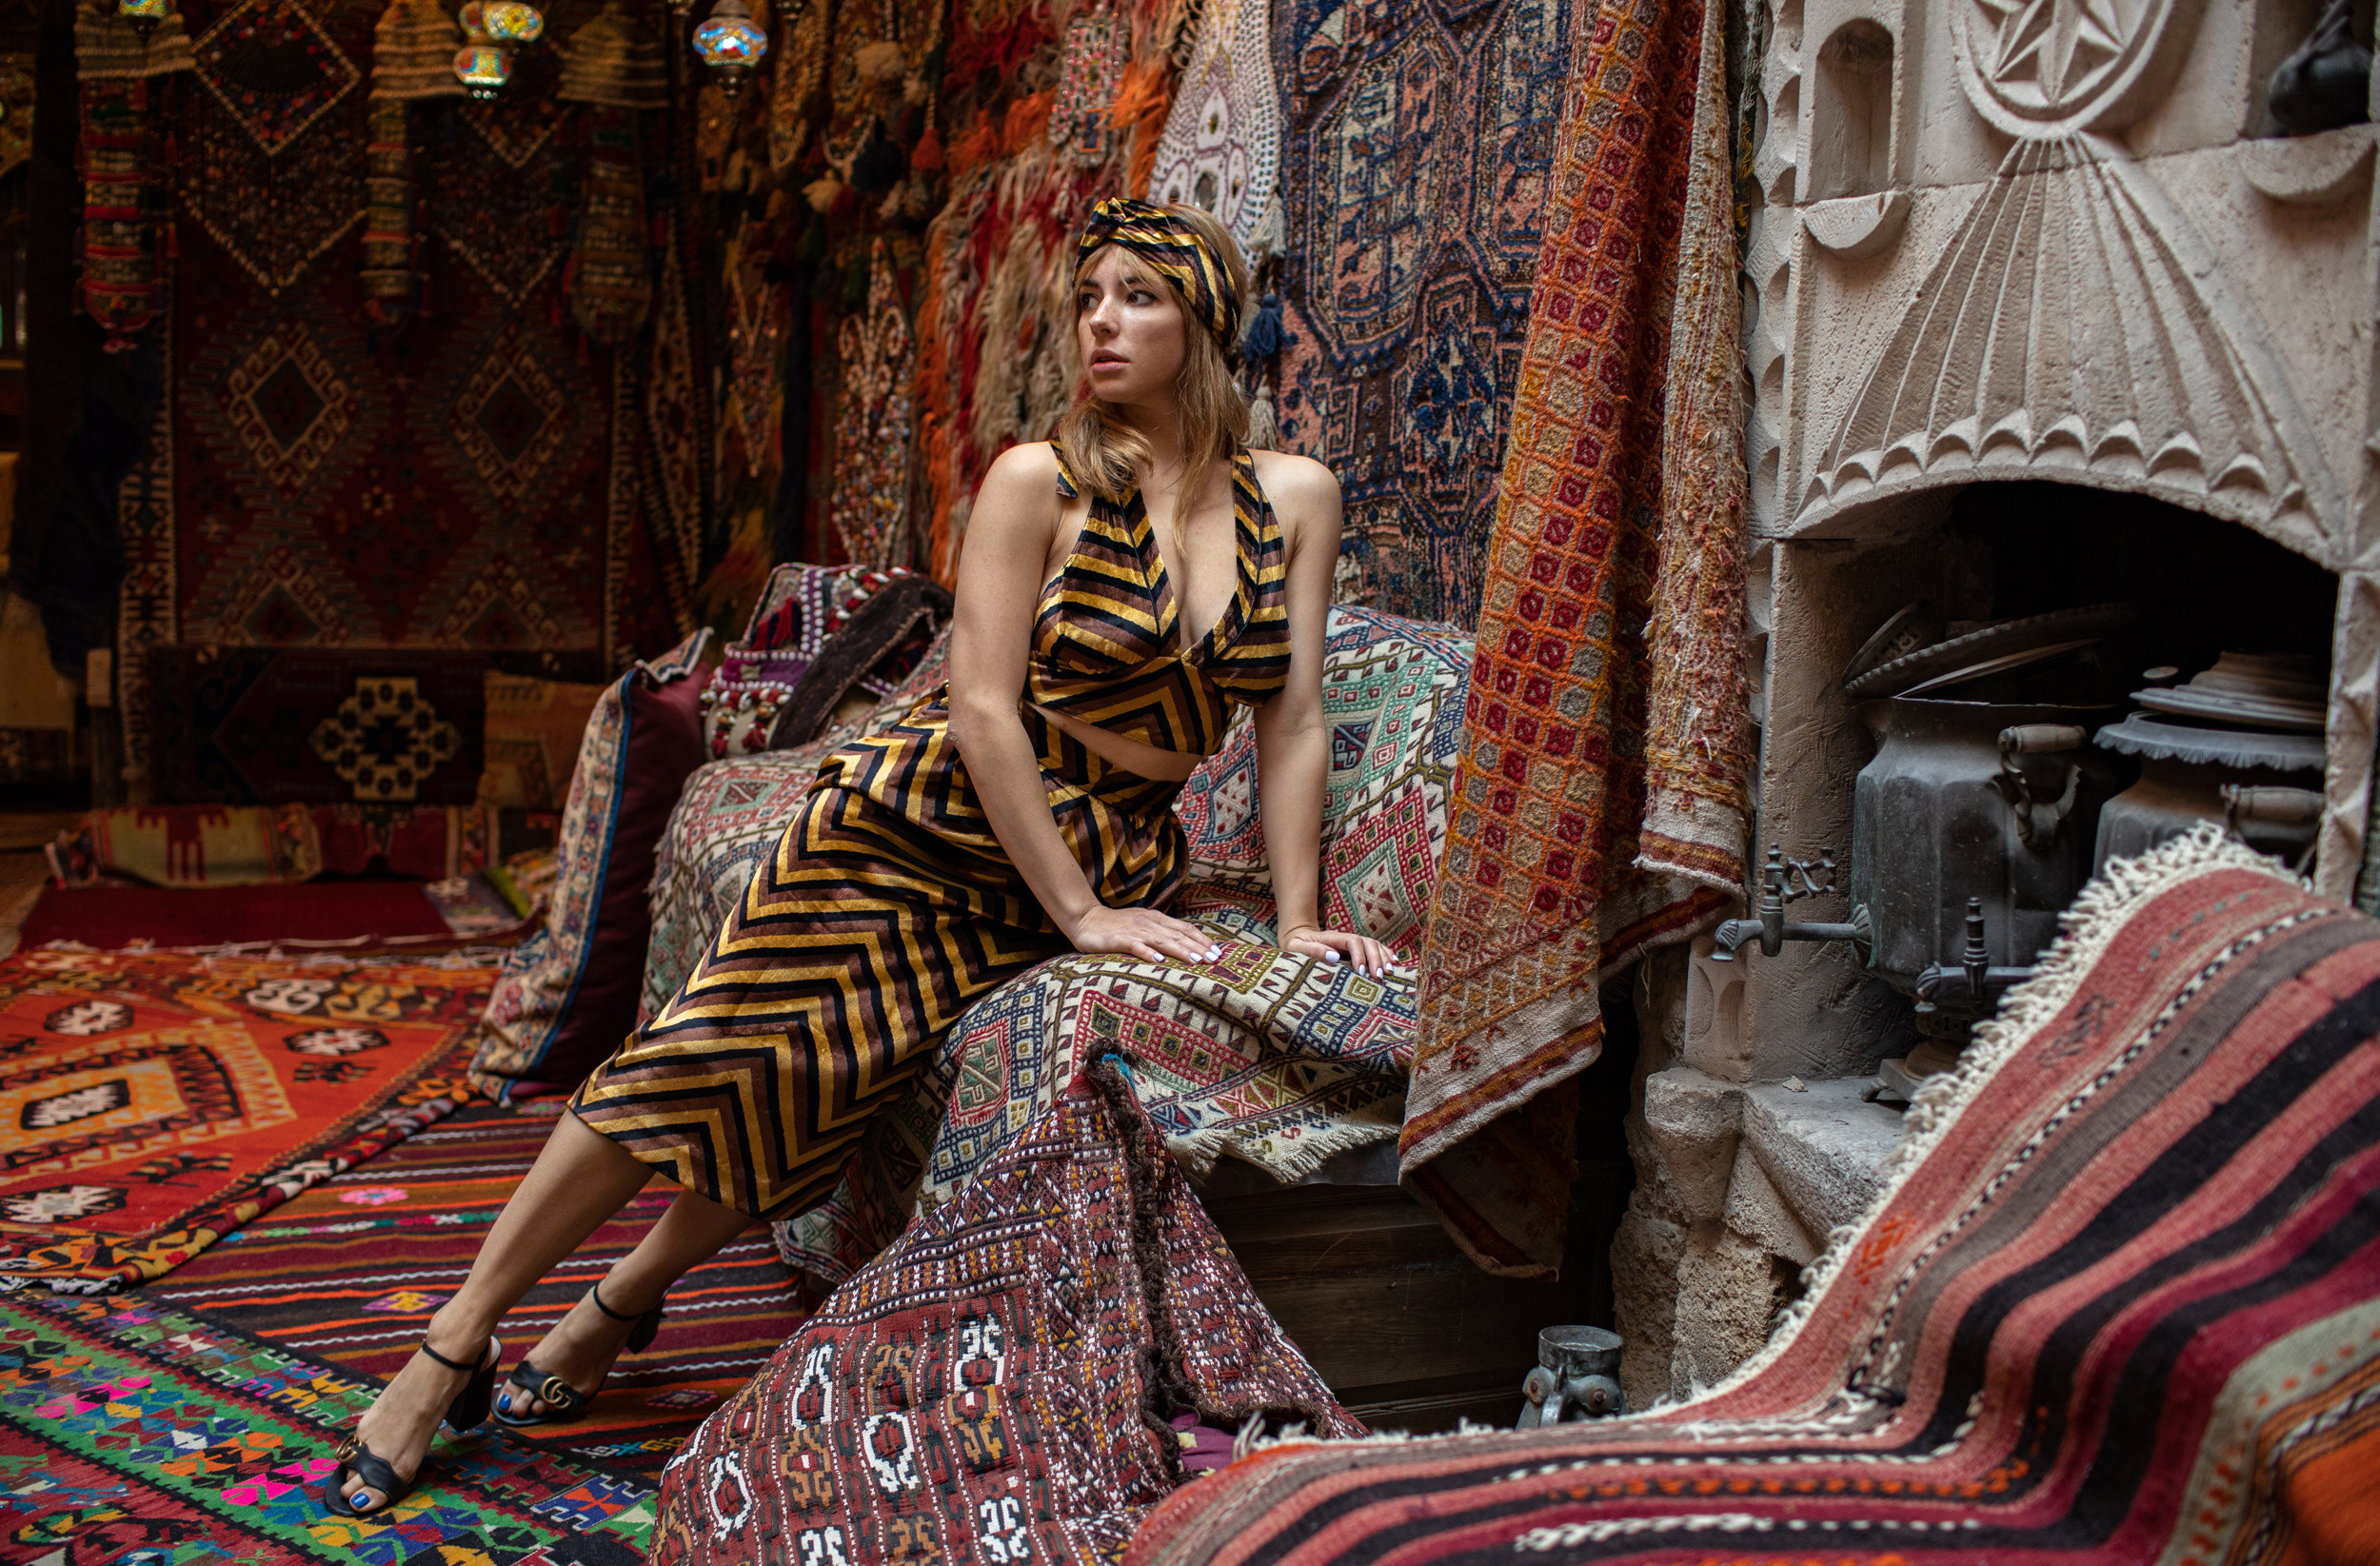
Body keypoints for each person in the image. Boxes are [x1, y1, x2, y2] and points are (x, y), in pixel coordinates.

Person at [321, 196, 1395, 1515]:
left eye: (1138, 297)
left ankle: (616, 1303)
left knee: (809, 1096)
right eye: (1089, 297)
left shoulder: (1294, 497)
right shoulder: (1036, 480)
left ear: (1209, 322)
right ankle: (453, 1339)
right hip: (925, 824)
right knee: (706, 1053)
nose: (1100, 321)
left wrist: (1295, 922)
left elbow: (1289, 717)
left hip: (1106, 845)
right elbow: (985, 707)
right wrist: (1081, 910)